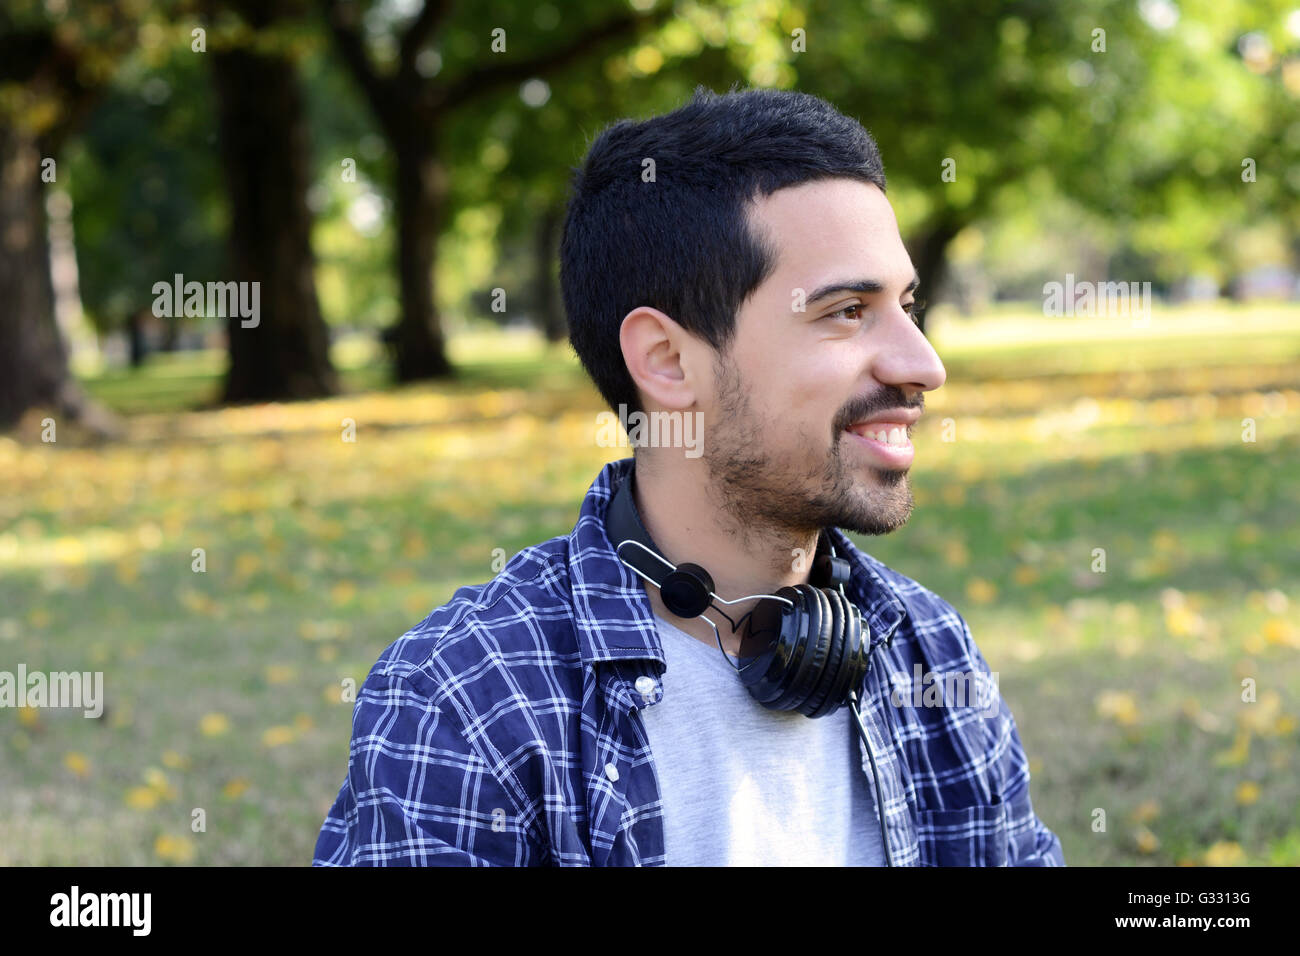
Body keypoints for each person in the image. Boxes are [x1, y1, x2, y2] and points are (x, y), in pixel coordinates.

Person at [313, 86, 1065, 866]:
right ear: (667, 362)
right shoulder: (466, 700)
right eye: (847, 311)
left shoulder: (930, 653)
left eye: (908, 306)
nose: (924, 365)